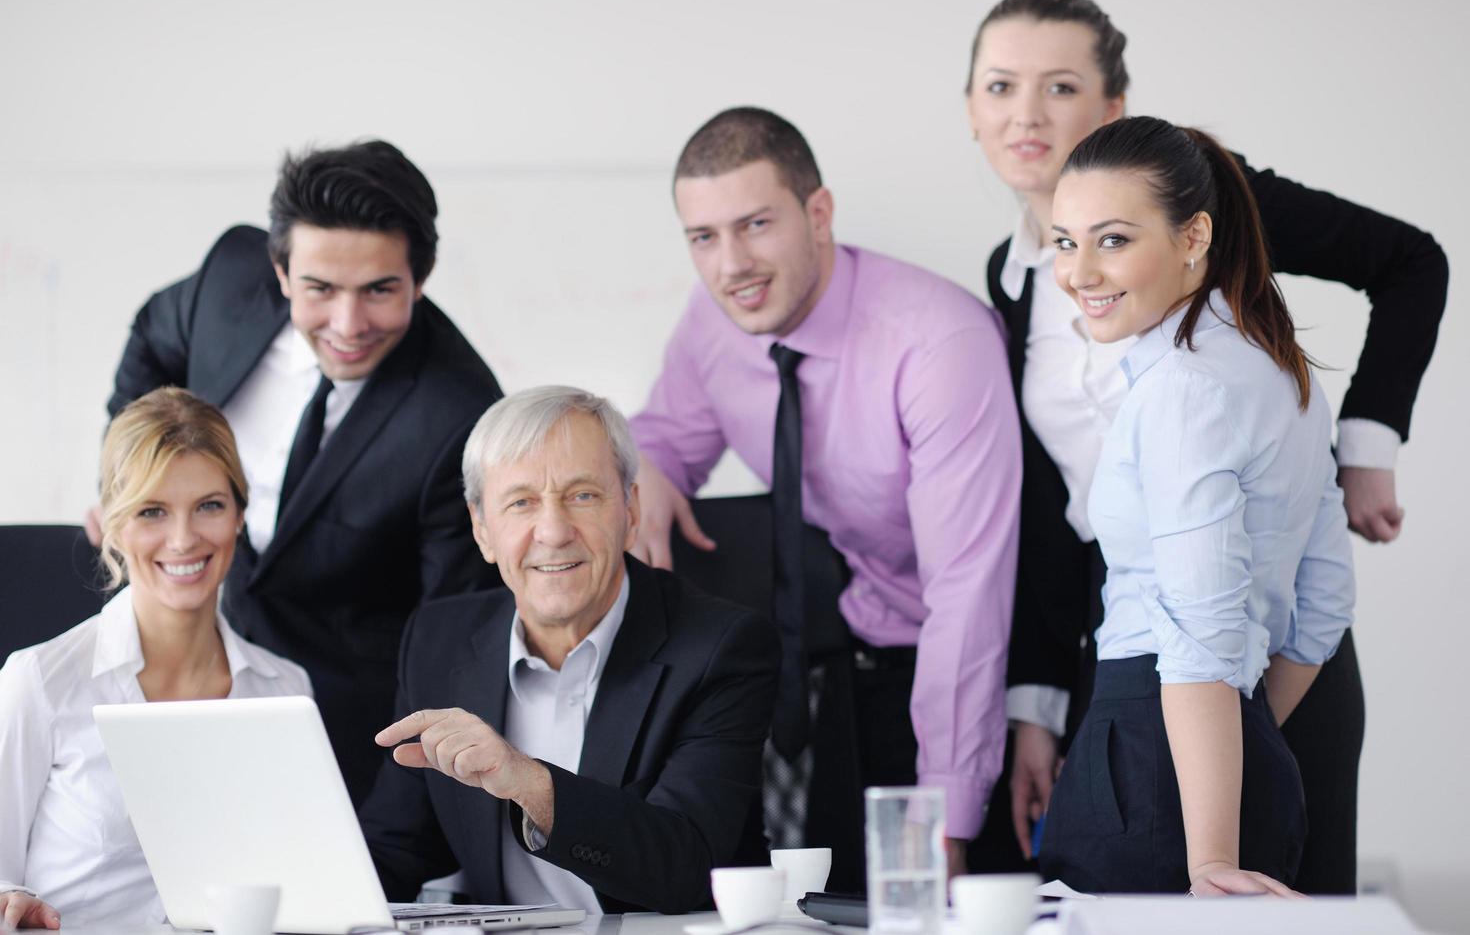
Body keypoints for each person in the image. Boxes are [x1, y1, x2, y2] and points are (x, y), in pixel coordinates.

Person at [964, 0, 1448, 890]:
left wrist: (1363, 456)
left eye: (1058, 86)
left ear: (1115, 106)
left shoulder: (1212, 199)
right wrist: (1039, 704)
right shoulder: (1016, 277)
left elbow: (1412, 262)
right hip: (1159, 654)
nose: (1026, 113)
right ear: (971, 110)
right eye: (1000, 86)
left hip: (1223, 649)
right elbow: (1046, 509)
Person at [628, 107, 1021, 890]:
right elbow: (666, 437)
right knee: (839, 908)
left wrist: (944, 813)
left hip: (985, 676)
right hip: (855, 662)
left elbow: (968, 593)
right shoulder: (715, 323)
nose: (731, 263)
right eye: (703, 237)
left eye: (756, 225)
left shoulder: (937, 343)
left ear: (818, 213)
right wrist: (645, 477)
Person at [100, 141, 503, 805]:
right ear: (281, 270)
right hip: (173, 660)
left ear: (420, 279)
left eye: (379, 290)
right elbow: (152, 335)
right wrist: (123, 482)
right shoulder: (228, 274)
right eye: (320, 289)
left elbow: (448, 629)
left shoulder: (460, 414)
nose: (348, 325)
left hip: (339, 713)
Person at [1037, 116, 1354, 895]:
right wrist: (1241, 740)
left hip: (1151, 774)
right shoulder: (1286, 374)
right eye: (1064, 241)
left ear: (1193, 236)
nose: (1078, 273)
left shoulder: (1182, 387)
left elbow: (1199, 628)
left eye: (1111, 240)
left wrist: (1208, 853)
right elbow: (1322, 609)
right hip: (1221, 756)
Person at [358, 386, 779, 914]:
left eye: (583, 495)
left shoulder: (722, 648)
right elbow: (398, 846)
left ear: (630, 508)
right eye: (521, 503)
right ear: (482, 531)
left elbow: (686, 866)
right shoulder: (438, 640)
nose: (553, 532)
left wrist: (529, 783)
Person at [0, 388, 312, 929]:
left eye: (209, 506)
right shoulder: (41, 684)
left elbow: (307, 888)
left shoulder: (284, 690)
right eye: (152, 511)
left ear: (240, 513)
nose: (183, 539)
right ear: (113, 525)